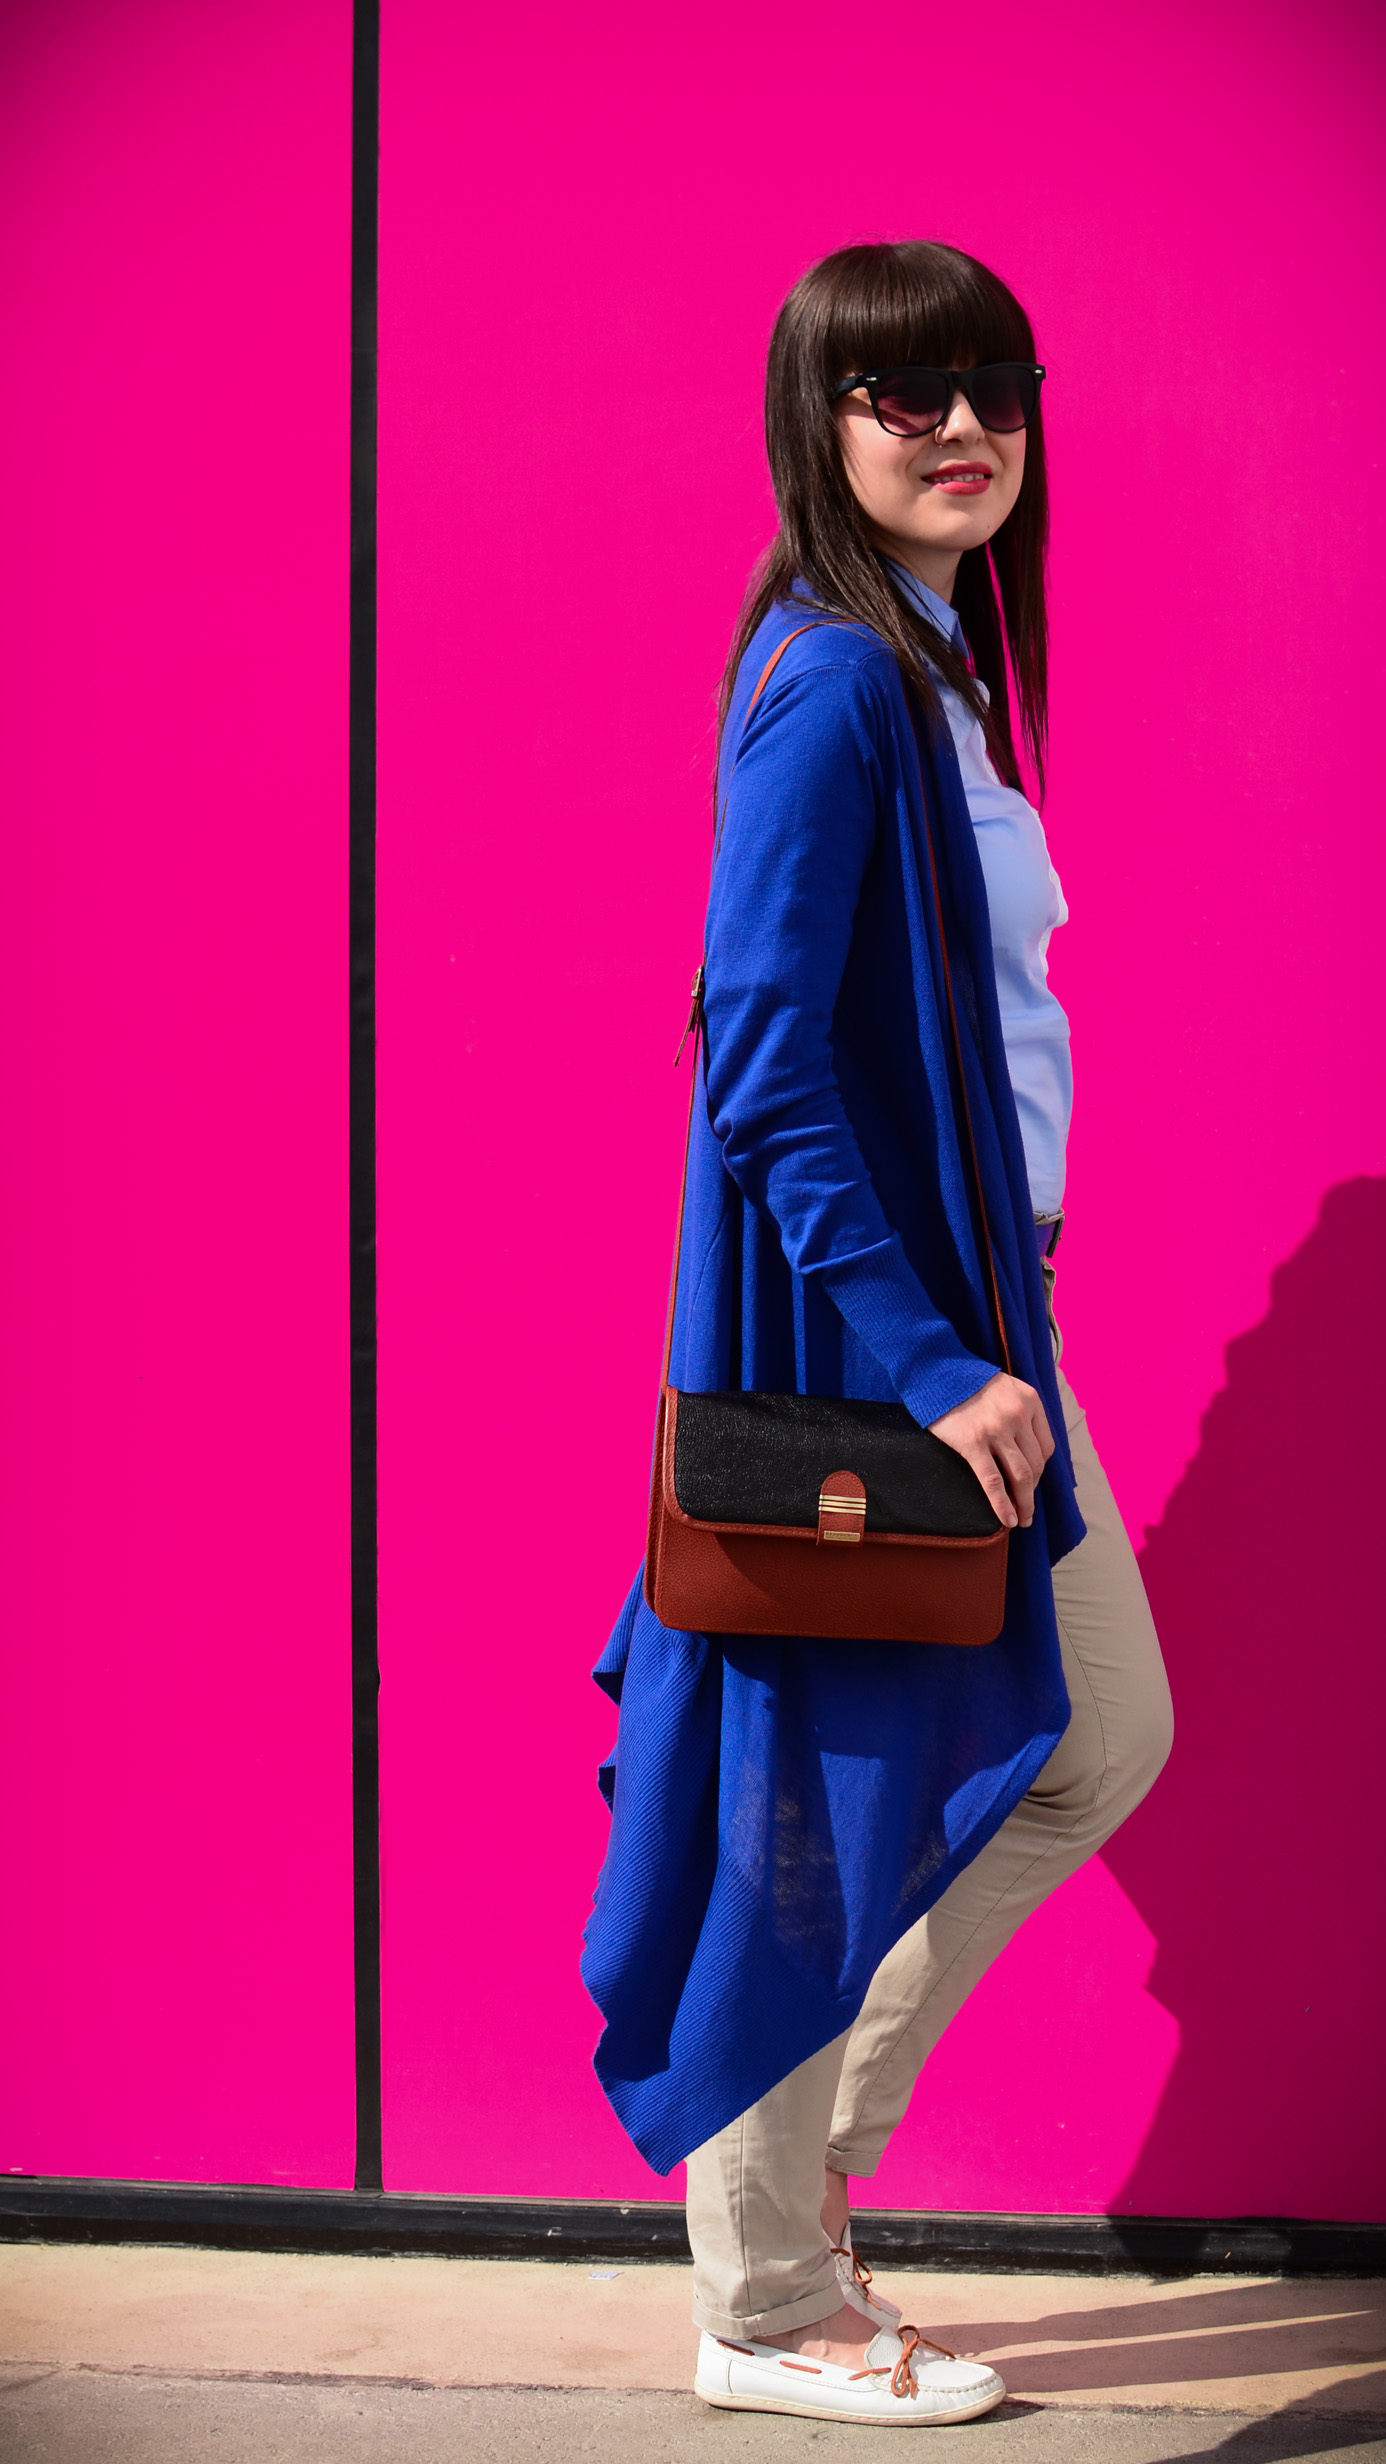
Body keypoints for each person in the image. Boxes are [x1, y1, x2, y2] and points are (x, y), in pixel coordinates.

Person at [582, 239, 1173, 2429]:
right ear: (814, 425)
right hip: (890, 1344)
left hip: (985, 1314)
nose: (959, 428)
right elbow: (759, 1050)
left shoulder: (934, 674)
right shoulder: (836, 679)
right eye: (897, 394)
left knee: (1093, 1737)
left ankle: (803, 2160)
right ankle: (764, 2299)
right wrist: (927, 1361)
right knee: (807, 1810)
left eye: (990, 386)